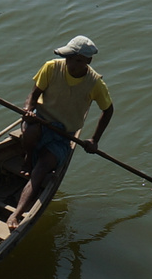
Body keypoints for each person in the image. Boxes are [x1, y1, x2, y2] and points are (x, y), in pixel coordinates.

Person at [7, 35, 115, 230]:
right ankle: (28, 156)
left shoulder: (95, 84)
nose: (71, 64)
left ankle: (16, 213)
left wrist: (94, 140)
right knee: (30, 134)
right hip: (40, 120)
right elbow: (33, 95)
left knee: (41, 168)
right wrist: (29, 110)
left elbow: (108, 110)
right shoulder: (51, 67)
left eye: (77, 60)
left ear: (87, 61)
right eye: (69, 58)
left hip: (64, 134)